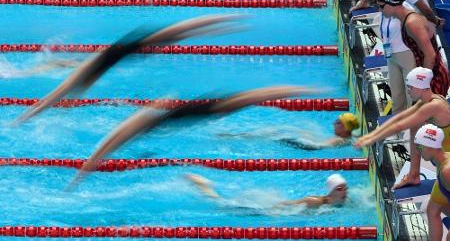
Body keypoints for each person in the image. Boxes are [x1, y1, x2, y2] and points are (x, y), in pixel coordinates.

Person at [68, 85, 320, 190]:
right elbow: (105, 148)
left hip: (185, 115)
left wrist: (81, 175)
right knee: (242, 100)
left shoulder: (132, 127)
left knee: (243, 100)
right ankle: (297, 89)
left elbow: (105, 149)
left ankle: (297, 89)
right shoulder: (140, 122)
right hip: (183, 116)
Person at [14, 14, 244, 125]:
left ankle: (224, 17)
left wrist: (20, 121)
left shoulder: (82, 76)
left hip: (116, 53)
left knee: (176, 32)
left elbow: (48, 100)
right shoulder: (84, 77)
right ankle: (220, 20)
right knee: (177, 33)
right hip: (116, 54)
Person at [355, 67, 450, 189]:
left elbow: (400, 126)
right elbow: (400, 117)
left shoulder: (433, 106)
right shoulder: (428, 100)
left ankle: (414, 175)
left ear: (420, 87)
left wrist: (371, 140)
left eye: (411, 87)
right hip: (443, 150)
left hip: (446, 157)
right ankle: (414, 175)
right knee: (415, 126)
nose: (408, 91)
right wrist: (370, 135)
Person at [375, 0, 449, 96]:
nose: (379, 10)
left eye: (381, 6)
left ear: (392, 4)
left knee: (426, 111)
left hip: (433, 77)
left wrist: (420, 82)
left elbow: (431, 56)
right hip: (427, 75)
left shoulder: (412, 23)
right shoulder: (405, 20)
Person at [365, 0, 416, 113]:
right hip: (391, 56)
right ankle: (397, 124)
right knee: (396, 94)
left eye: (377, 4)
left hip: (407, 54)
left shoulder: (405, 11)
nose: (377, 7)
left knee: (411, 93)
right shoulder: (384, 11)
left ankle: (411, 125)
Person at [186, 173, 348, 208]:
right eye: (340, 189)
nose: (344, 192)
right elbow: (289, 205)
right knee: (222, 205)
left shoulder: (339, 202)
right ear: (332, 191)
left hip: (276, 209)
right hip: (271, 210)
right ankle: (204, 185)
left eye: (345, 188)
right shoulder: (315, 201)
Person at [218, 112, 360, 150]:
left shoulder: (339, 140)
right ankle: (237, 136)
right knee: (279, 131)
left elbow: (319, 146)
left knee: (270, 136)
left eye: (338, 122)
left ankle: (237, 136)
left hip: (306, 147)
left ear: (346, 128)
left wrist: (299, 138)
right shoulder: (346, 138)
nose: (334, 123)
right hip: (308, 143)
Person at [413, 124, 450, 241]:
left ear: (430, 146)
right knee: (432, 209)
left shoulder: (447, 171)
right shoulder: (442, 164)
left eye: (419, 148)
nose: (418, 152)